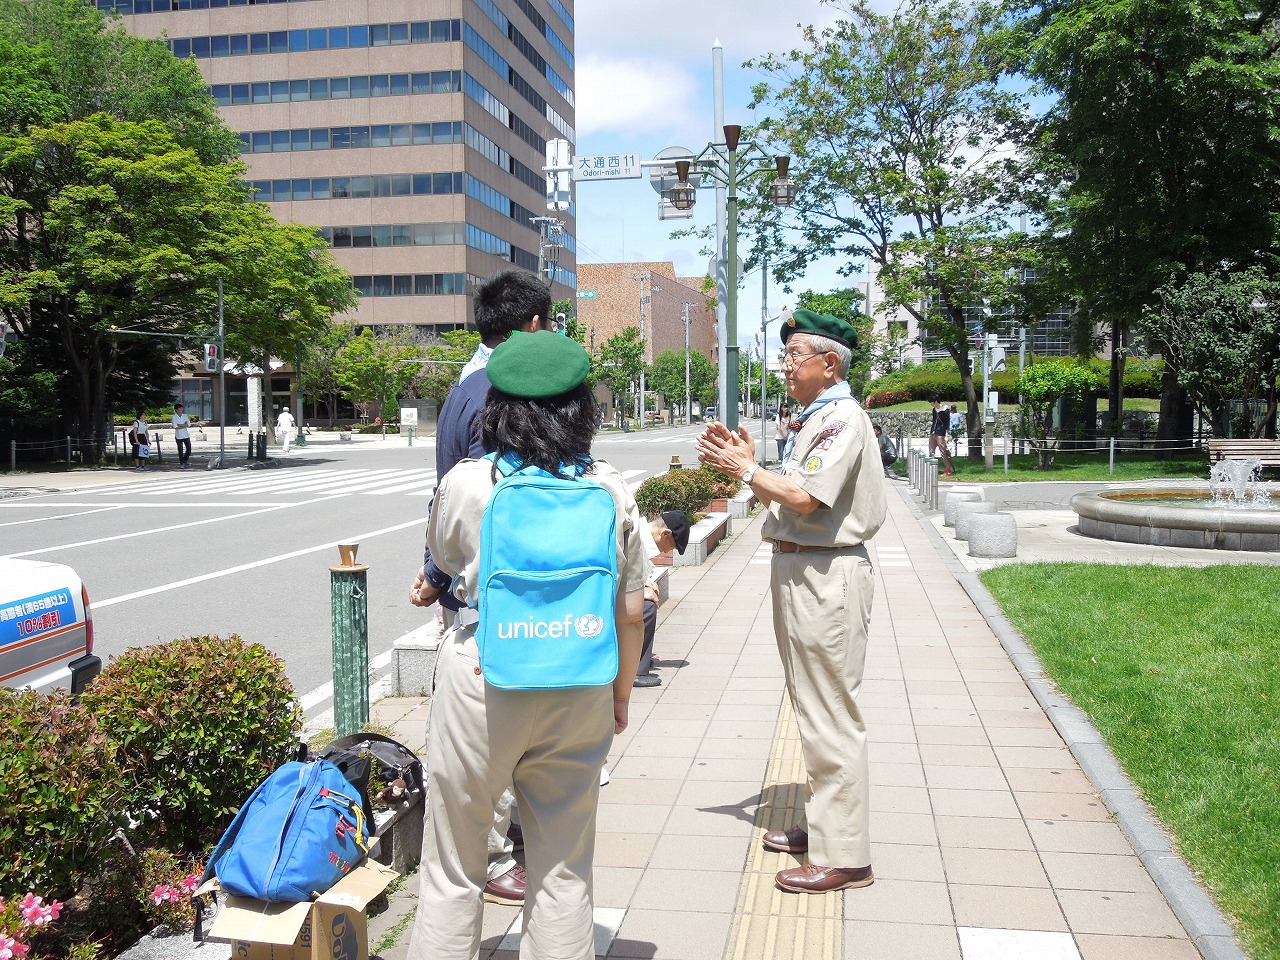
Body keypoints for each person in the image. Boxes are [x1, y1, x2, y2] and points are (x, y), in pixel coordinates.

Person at [406, 331, 646, 960]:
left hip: (485, 676)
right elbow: (630, 612)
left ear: (498, 408)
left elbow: (447, 559)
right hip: (582, 680)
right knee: (563, 866)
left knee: (454, 866)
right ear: (581, 409)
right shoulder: (612, 489)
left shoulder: (466, 483)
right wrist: (619, 696)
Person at [695, 308, 886, 895]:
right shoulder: (820, 417)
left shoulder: (842, 419)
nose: (784, 366)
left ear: (829, 365)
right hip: (806, 569)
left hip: (824, 573)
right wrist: (754, 464)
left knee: (830, 709)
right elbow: (796, 486)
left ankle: (846, 854)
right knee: (812, 704)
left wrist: (746, 467)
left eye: (793, 356)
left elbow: (804, 496)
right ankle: (825, 826)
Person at [409, 268, 553, 906]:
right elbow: (479, 500)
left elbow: (446, 496)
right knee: (498, 724)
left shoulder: (464, 388)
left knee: (499, 723)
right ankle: (494, 857)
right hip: (499, 586)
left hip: (468, 580)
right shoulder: (507, 390)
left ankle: (504, 837)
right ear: (530, 326)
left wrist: (436, 571)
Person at [634, 510, 690, 688]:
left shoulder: (638, 535)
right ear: (664, 533)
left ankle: (637, 657)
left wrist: (645, 583)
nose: (666, 551)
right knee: (646, 607)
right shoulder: (635, 539)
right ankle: (636, 671)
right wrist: (640, 591)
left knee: (648, 600)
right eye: (671, 546)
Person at [928, 395, 955, 476]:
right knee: (931, 451)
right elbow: (934, 421)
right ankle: (931, 469)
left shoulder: (945, 410)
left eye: (932, 402)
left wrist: (946, 434)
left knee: (943, 452)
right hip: (933, 432)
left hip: (941, 433)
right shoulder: (934, 410)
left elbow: (947, 423)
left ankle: (948, 469)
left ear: (936, 402)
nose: (931, 404)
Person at [171, 403, 192, 470]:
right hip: (179, 436)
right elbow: (175, 426)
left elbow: (188, 424)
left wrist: (180, 425)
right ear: (176, 410)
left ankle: (185, 460)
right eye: (180, 408)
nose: (181, 410)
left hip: (186, 435)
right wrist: (183, 425)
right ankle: (182, 463)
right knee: (180, 450)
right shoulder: (174, 417)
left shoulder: (185, 416)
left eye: (182, 408)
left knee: (189, 449)